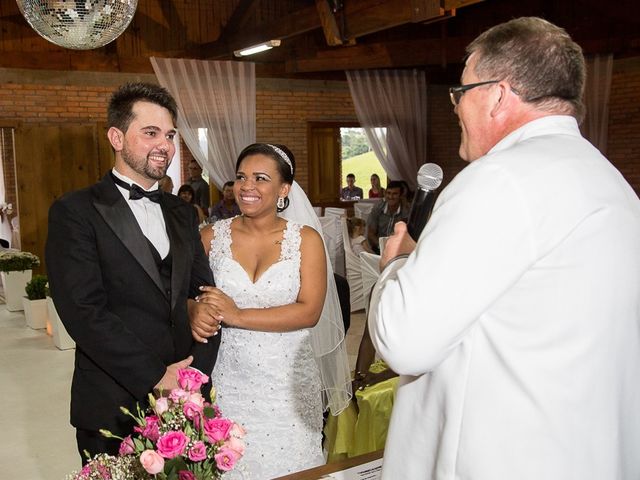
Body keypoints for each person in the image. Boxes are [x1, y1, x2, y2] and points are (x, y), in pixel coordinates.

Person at [368, 17, 640, 480]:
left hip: (499, 455)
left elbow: (402, 341)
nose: (455, 107)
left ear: (497, 94)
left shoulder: (500, 179)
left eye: (462, 91)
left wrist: (397, 262)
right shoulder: (609, 181)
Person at [45, 82, 221, 463]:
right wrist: (157, 377)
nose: (165, 145)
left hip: (183, 401)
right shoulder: (76, 211)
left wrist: (192, 380)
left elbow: (206, 294)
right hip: (112, 400)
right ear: (116, 137)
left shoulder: (181, 212)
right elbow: (83, 311)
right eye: (151, 133)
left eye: (171, 135)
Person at [191, 143, 351, 479]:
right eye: (240, 177)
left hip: (289, 383)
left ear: (284, 189)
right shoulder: (209, 237)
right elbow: (185, 295)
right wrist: (195, 310)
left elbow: (309, 311)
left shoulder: (306, 240)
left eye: (260, 178)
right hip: (230, 380)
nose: (246, 186)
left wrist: (237, 316)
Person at [366, 180, 409, 254]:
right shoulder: (378, 208)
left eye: (395, 194)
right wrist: (382, 247)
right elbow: (370, 234)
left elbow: (406, 233)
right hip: (378, 247)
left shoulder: (405, 210)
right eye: (388, 193)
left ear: (401, 196)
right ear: (385, 194)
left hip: (397, 249)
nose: (391, 197)